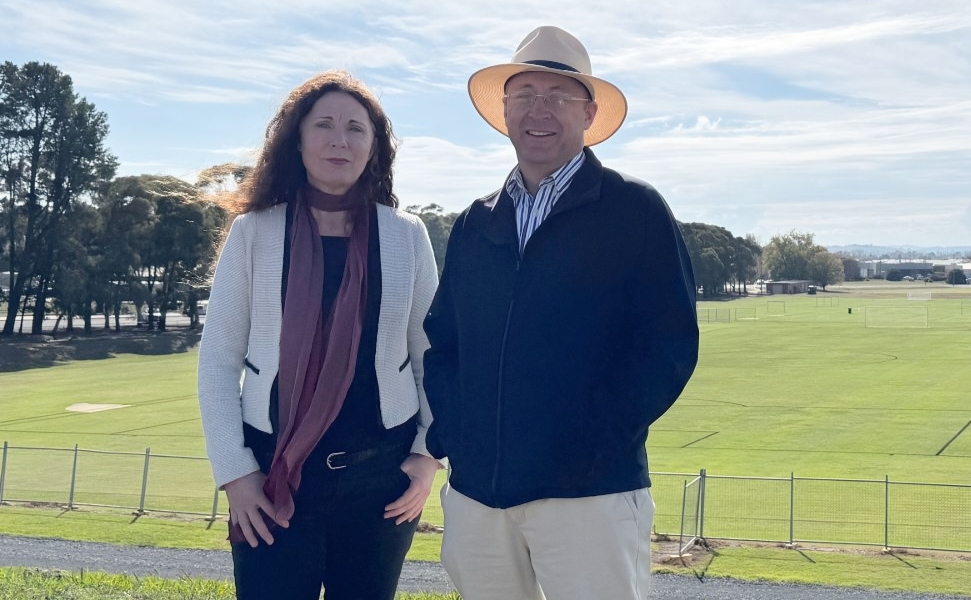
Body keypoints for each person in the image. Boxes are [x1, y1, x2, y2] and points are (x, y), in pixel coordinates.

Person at [423, 26, 699, 600]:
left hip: (589, 495)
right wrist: (457, 435)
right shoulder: (476, 223)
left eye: (558, 96)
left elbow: (668, 345)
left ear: (588, 113)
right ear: (505, 110)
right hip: (478, 496)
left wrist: (596, 443)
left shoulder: (635, 210)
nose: (539, 110)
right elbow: (444, 343)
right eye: (524, 95)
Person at [197, 70, 441, 600]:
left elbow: (434, 358)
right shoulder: (254, 232)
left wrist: (427, 459)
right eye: (324, 125)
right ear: (298, 140)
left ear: (374, 148)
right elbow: (218, 359)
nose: (339, 140)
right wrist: (235, 473)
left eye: (356, 129)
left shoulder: (407, 236)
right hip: (270, 476)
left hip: (382, 482)